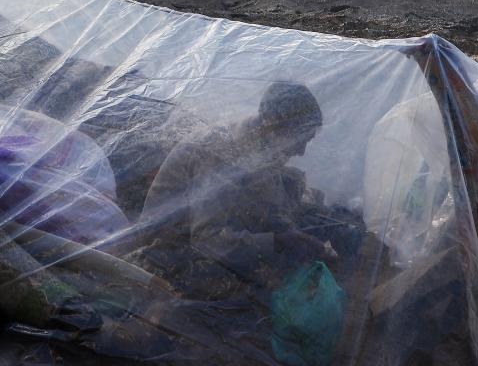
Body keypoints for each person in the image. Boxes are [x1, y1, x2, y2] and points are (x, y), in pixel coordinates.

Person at [133, 81, 334, 302]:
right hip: (168, 248)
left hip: (198, 234)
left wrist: (294, 234)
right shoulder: (219, 153)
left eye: (307, 142)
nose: (301, 151)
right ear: (271, 124)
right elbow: (207, 240)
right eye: (298, 140)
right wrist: (278, 241)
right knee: (255, 298)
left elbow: (268, 204)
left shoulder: (263, 145)